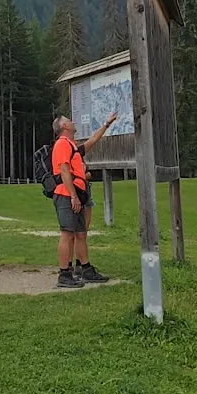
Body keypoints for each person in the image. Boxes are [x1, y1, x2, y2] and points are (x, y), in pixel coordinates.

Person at [51, 113, 116, 288]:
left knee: (80, 234)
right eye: (69, 120)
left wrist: (106, 124)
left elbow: (92, 141)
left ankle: (85, 269)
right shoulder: (62, 144)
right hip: (66, 194)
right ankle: (64, 274)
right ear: (64, 127)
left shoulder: (72, 146)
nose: (73, 122)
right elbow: (64, 171)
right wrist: (73, 196)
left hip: (76, 194)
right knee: (67, 233)